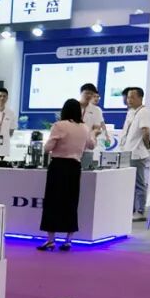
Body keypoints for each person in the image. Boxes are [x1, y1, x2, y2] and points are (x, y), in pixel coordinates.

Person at [37, 99, 95, 252]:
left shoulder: (59, 126)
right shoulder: (84, 127)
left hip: (58, 166)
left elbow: (47, 148)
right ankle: (69, 240)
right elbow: (91, 145)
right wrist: (95, 133)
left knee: (52, 203)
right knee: (71, 202)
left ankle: (51, 240)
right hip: (75, 167)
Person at [120, 87, 150, 220]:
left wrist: (147, 146)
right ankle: (131, 209)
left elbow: (146, 132)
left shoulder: (143, 112)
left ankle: (140, 211)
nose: (129, 100)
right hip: (128, 152)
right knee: (130, 183)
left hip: (137, 153)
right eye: (128, 97)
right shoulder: (131, 112)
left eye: (132, 97)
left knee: (139, 183)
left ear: (140, 98)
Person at [80, 83, 107, 148]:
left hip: (88, 145)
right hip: (72, 144)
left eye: (91, 94)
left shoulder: (96, 110)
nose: (89, 95)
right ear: (81, 93)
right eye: (87, 93)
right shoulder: (72, 106)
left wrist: (91, 138)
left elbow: (97, 128)